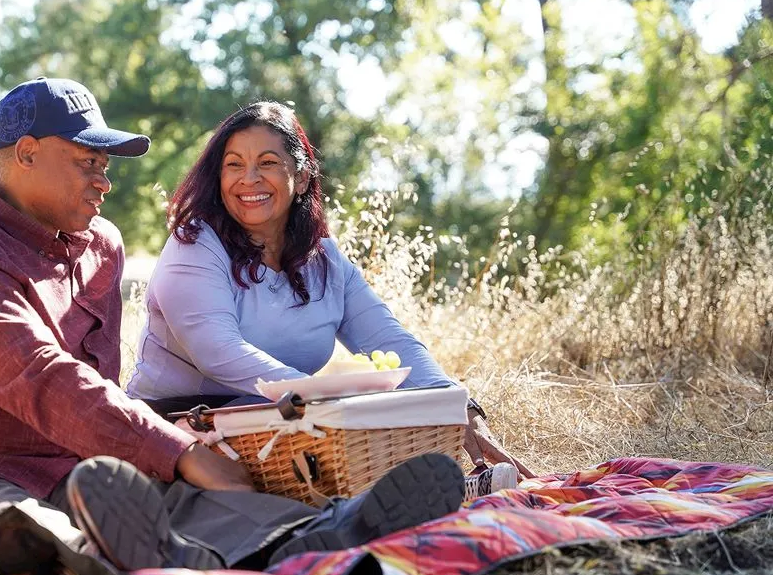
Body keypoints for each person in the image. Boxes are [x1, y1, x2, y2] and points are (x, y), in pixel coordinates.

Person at [0, 78, 468, 575]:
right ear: (25, 154)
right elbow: (40, 377)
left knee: (204, 503)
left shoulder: (101, 246)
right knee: (23, 530)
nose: (104, 180)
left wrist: (168, 461)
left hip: (75, 472)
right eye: (87, 162)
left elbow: (99, 386)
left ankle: (325, 535)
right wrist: (176, 452)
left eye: (106, 165)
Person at [126, 101, 531, 496]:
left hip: (286, 421)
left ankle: (444, 490)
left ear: (301, 178)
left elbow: (391, 340)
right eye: (234, 164)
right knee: (350, 421)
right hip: (184, 427)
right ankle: (421, 496)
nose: (248, 178)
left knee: (397, 404)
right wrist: (325, 402)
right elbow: (217, 350)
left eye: (267, 163)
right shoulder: (195, 245)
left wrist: (457, 407)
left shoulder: (325, 260)